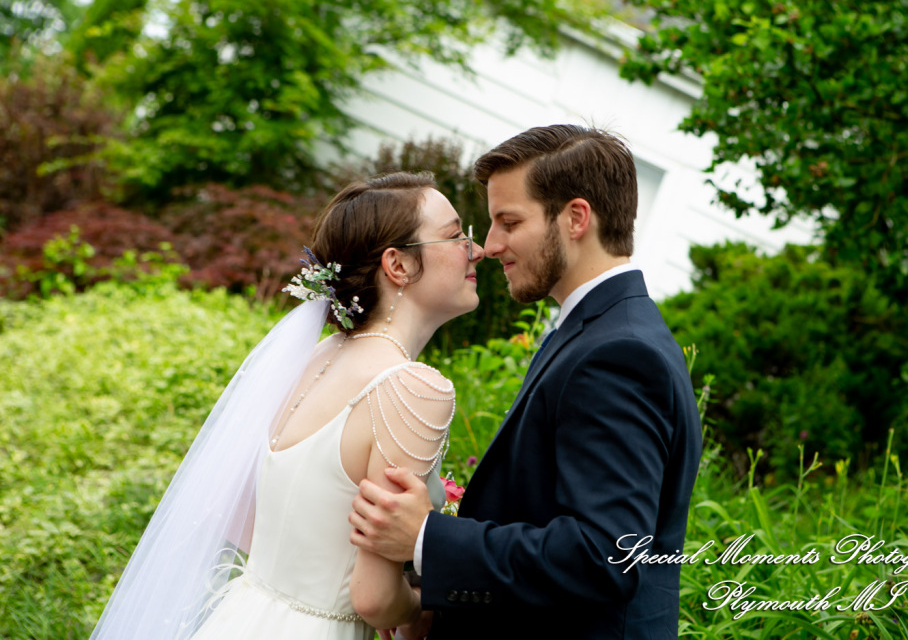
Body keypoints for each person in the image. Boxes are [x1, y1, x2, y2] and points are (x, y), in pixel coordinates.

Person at [90, 172, 484, 640]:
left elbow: (236, 510)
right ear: (397, 265)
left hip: (243, 617)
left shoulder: (318, 355)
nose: (475, 250)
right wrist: (421, 609)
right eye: (456, 235)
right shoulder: (414, 388)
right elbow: (374, 599)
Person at [350, 125, 704, 639]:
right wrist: (441, 598)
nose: (489, 247)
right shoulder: (598, 331)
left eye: (508, 222)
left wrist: (428, 537)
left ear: (576, 218)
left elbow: (604, 556)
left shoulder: (619, 355)